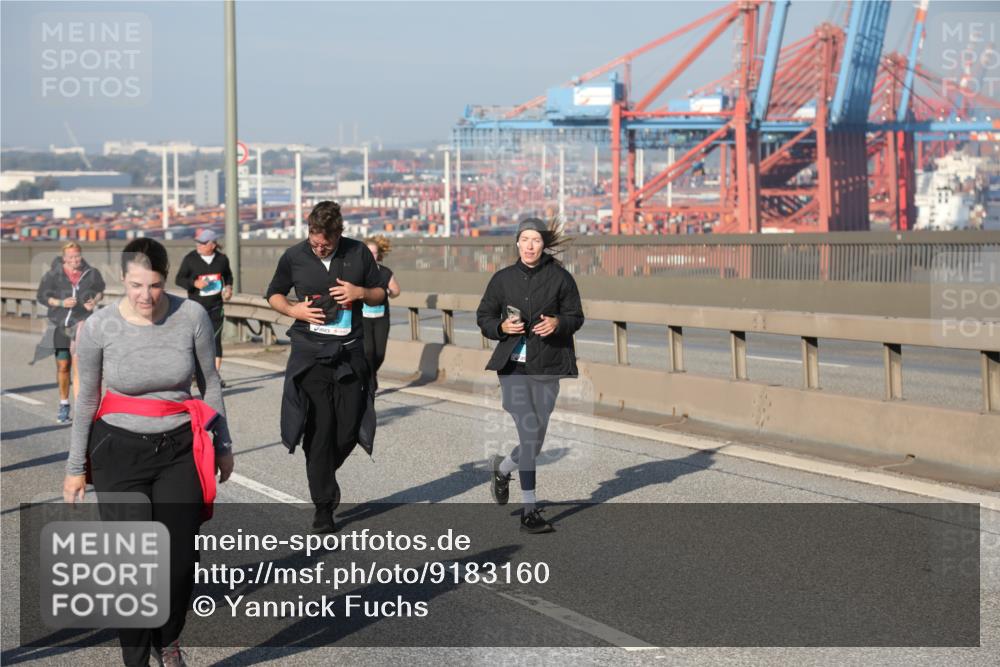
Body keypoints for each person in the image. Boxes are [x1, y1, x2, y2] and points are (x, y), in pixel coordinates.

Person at [62, 238, 234, 667]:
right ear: (123, 279)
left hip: (179, 448)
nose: (145, 296)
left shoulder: (190, 314)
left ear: (164, 280)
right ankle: (136, 660)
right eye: (137, 285)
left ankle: (168, 638)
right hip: (118, 451)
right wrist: (74, 467)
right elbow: (86, 398)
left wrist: (224, 444)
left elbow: (209, 384)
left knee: (179, 564)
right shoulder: (99, 326)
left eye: (155, 285)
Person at [265, 201, 389, 534]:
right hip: (310, 355)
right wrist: (294, 311)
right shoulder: (295, 256)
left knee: (348, 429)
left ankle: (322, 471)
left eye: (326, 243)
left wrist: (359, 291)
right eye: (314, 240)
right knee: (319, 430)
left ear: (339, 234)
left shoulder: (358, 253)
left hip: (350, 354)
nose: (319, 247)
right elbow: (273, 293)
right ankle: (323, 506)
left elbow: (380, 294)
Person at [476, 217, 584, 534]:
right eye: (524, 239)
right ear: (517, 243)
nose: (529, 246)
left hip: (548, 366)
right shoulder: (502, 279)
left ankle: (503, 468)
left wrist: (557, 324)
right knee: (529, 430)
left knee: (534, 443)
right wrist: (500, 327)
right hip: (513, 368)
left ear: (544, 244)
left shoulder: (561, 279)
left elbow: (576, 316)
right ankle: (529, 510)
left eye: (535, 240)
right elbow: (484, 316)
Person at [34, 241, 105, 423]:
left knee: (79, 367)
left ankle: (82, 410)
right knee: (63, 365)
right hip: (59, 325)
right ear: (64, 258)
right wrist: (60, 303)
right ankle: (64, 404)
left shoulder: (91, 273)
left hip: (81, 323)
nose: (75, 260)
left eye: (78, 256)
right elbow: (41, 296)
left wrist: (94, 301)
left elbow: (100, 290)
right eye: (71, 257)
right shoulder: (53, 275)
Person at [174, 229, 234, 389]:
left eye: (202, 243)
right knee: (196, 341)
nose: (198, 245)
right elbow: (179, 279)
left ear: (212, 245)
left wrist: (228, 288)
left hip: (216, 306)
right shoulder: (190, 259)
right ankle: (195, 373)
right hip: (196, 307)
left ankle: (214, 375)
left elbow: (228, 276)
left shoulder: (222, 260)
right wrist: (194, 283)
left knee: (215, 340)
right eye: (198, 242)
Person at [362, 235, 401, 392]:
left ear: (379, 254)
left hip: (381, 318)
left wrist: (389, 292)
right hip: (362, 318)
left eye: (375, 252)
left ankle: (371, 375)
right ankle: (370, 382)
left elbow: (396, 290)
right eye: (369, 252)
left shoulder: (385, 273)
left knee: (379, 354)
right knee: (368, 351)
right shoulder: (358, 273)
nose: (372, 255)